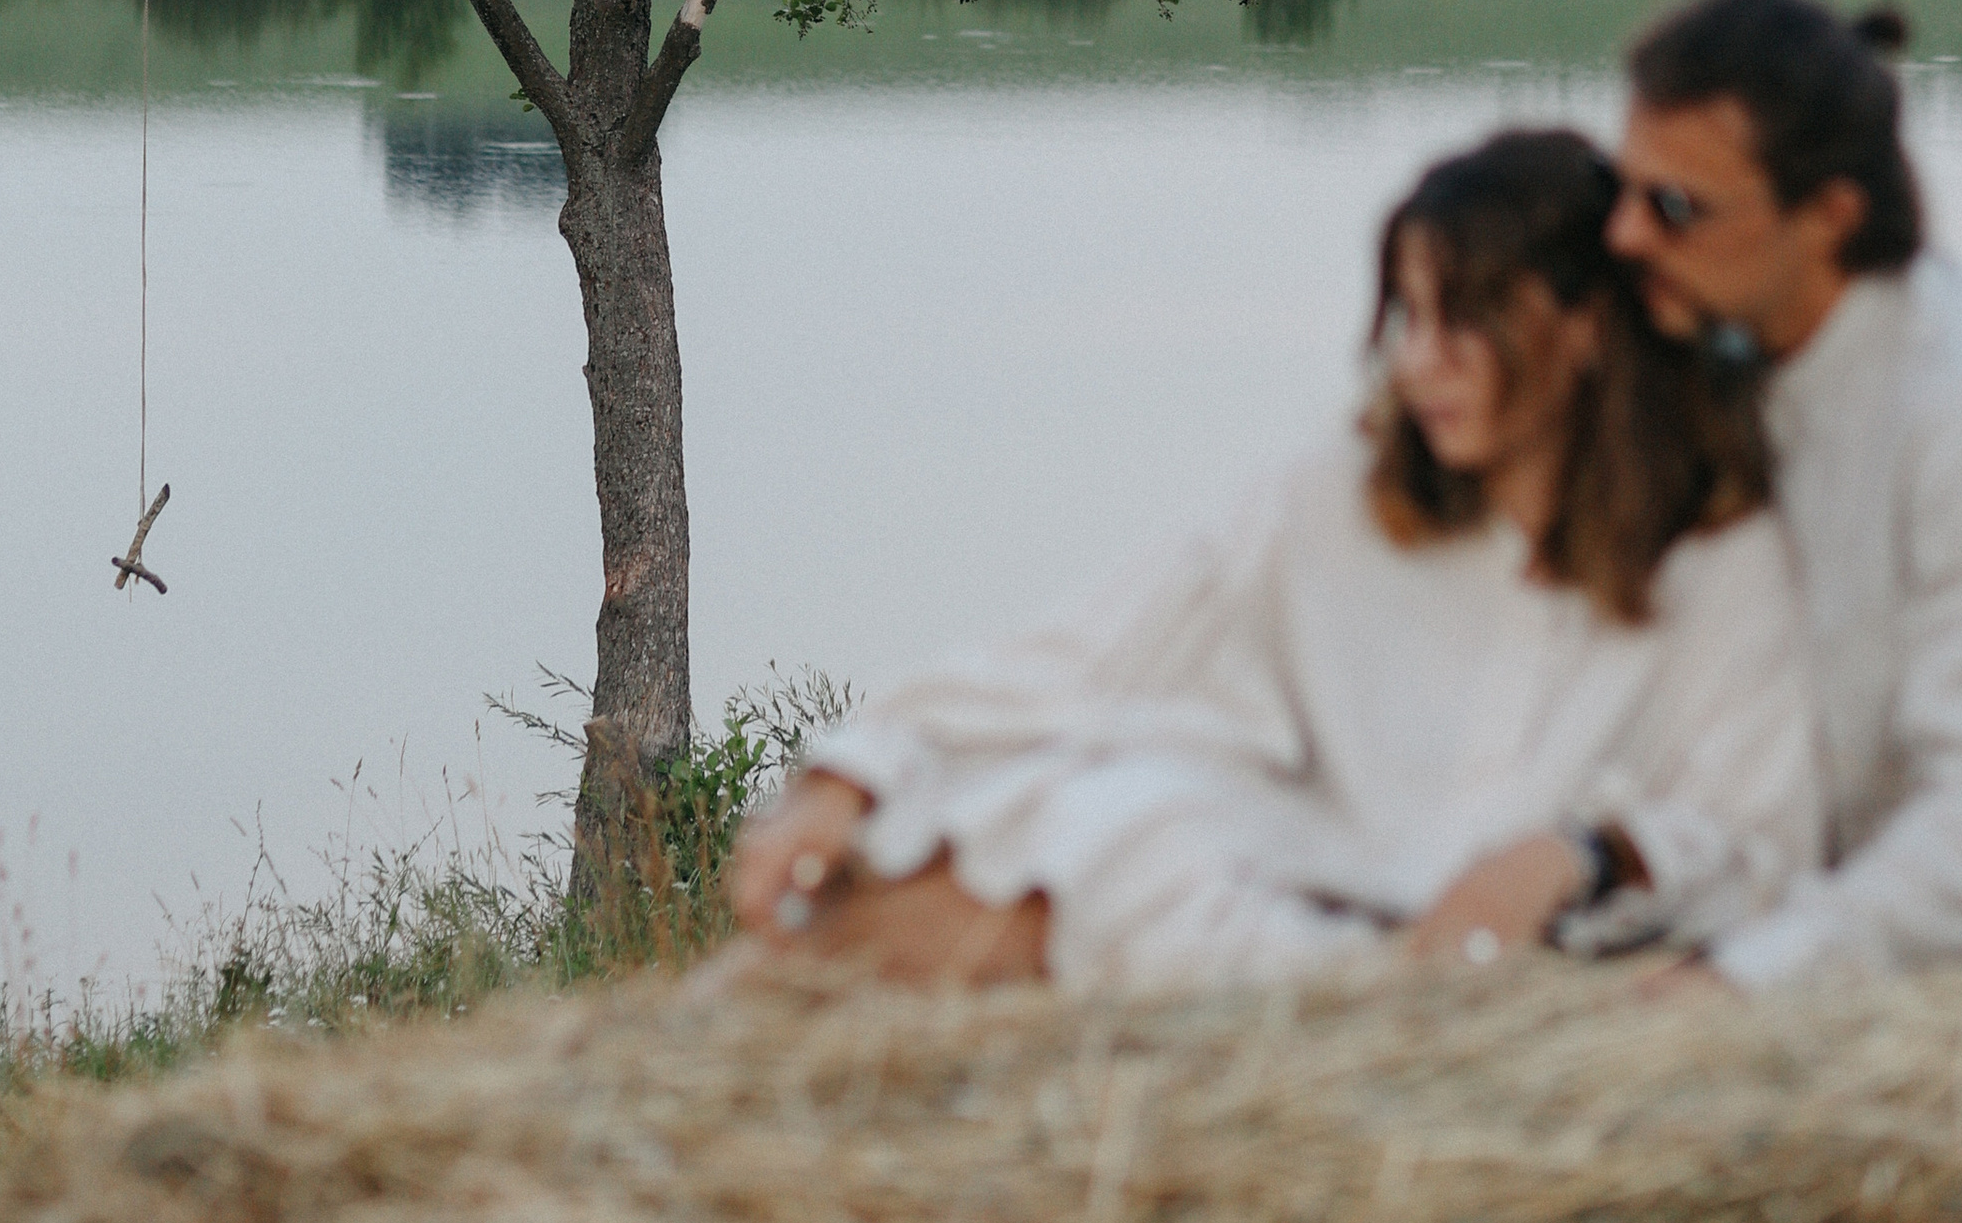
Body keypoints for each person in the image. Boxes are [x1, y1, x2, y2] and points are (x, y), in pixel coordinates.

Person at [731, 128, 1820, 986]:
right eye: (1407, 318)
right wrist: (842, 785)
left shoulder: (1721, 553)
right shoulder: (1341, 498)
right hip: (1298, 913)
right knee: (1099, 820)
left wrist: (1581, 857)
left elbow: (1756, 837)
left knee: (1064, 870)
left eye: (1464, 323)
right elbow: (1087, 654)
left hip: (1527, 958)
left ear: (1584, 329)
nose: (1420, 363)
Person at [1606, 0, 1962, 988]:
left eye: (1674, 207)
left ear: (1829, 213)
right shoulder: (1747, 370)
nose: (1626, 237)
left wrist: (1735, 987)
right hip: (1820, 968)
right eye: (1626, 191)